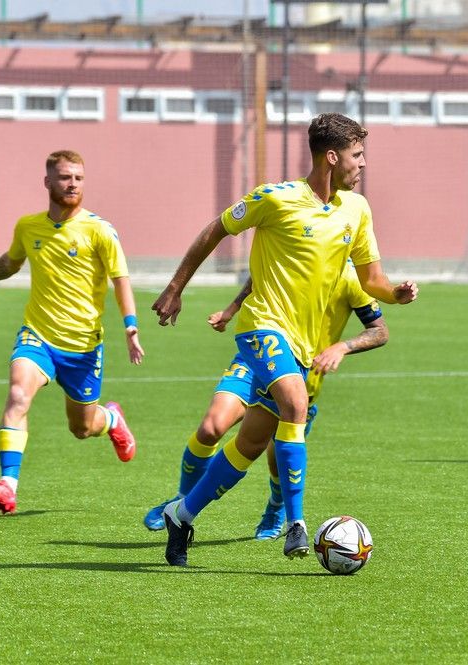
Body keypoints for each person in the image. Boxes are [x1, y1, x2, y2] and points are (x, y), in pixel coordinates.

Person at [151, 112, 417, 566]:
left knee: (251, 445)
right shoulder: (275, 198)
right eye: (357, 155)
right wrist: (176, 287)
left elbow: (372, 279)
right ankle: (296, 524)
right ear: (331, 157)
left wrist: (395, 293)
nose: (364, 163)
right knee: (292, 403)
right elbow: (215, 229)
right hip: (262, 327)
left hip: (300, 346)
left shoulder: (357, 209)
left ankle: (182, 513)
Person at [0, 149, 144, 513]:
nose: (73, 184)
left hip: (83, 346)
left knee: (82, 428)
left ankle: (112, 418)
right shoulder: (28, 226)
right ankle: (8, 484)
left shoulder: (100, 230)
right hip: (37, 335)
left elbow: (121, 279)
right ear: (48, 182)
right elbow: (11, 262)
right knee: (18, 396)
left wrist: (130, 326)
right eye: (66, 177)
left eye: (79, 178)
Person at [143, 262, 388, 540]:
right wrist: (231, 310)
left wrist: (342, 347)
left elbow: (380, 330)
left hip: (301, 374)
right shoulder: (295, 247)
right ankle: (181, 500)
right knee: (211, 427)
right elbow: (261, 272)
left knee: (274, 456)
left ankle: (276, 506)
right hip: (259, 355)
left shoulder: (350, 278)